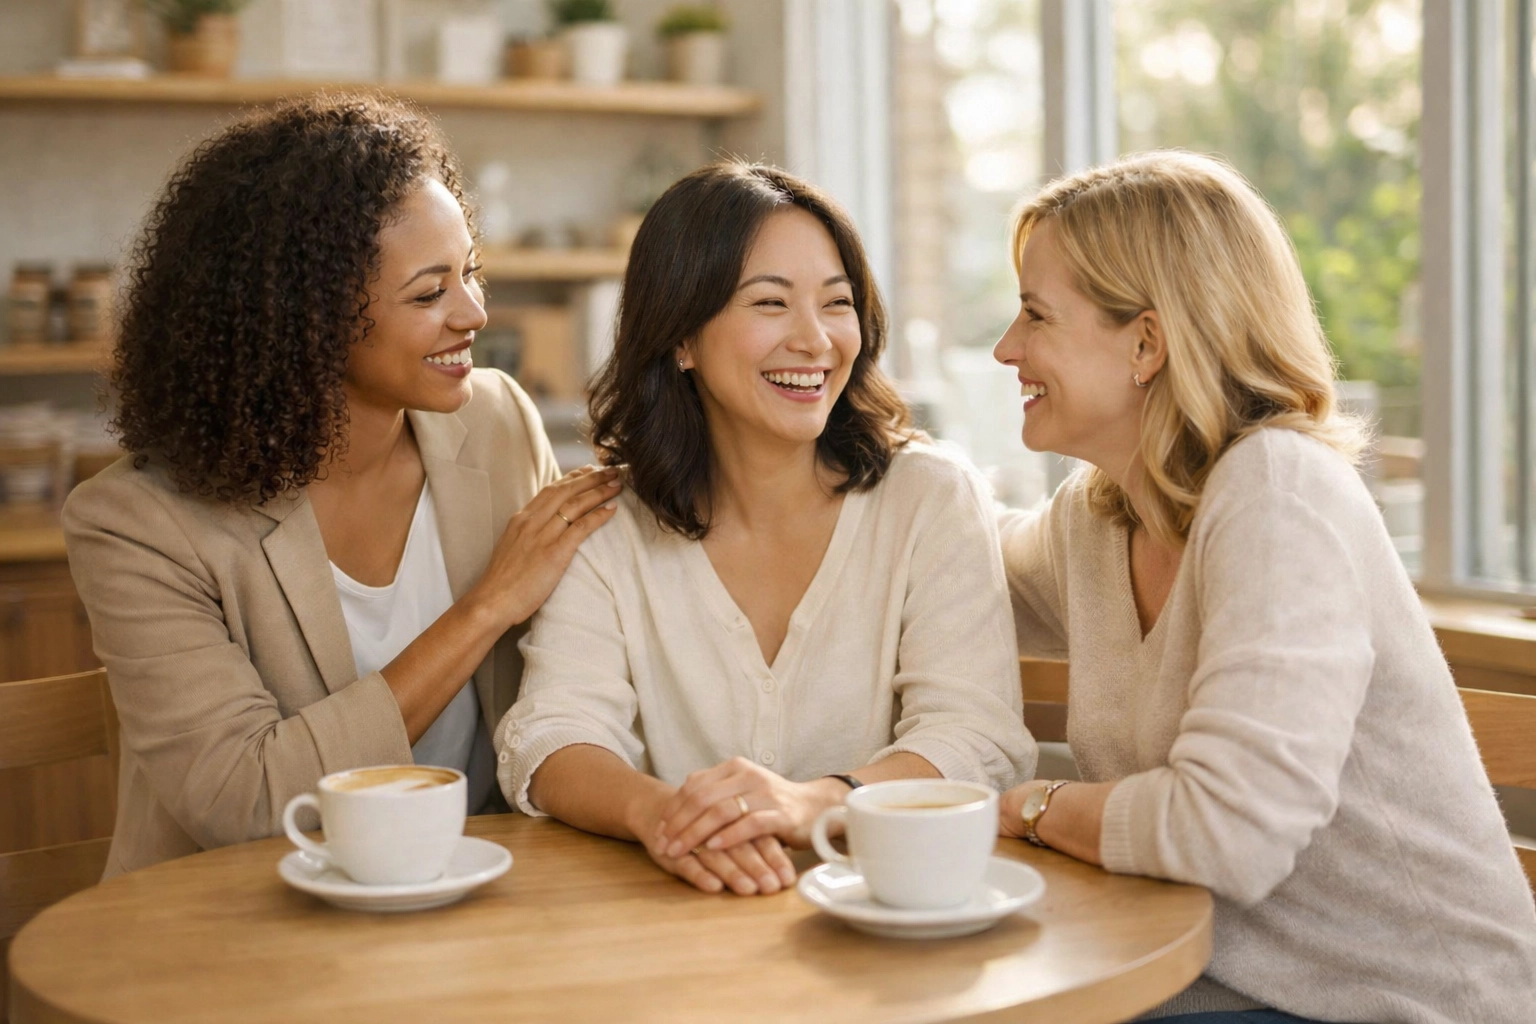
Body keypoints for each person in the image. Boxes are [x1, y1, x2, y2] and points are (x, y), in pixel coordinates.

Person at [992, 150, 1536, 1023]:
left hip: (1397, 1006)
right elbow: (951, 563)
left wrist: (1028, 807)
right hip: (1212, 984)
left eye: (1034, 315)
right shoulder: (1096, 519)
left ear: (1146, 342)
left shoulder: (1279, 495)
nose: (1006, 348)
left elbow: (1224, 834)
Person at [64, 94, 618, 878]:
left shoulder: (496, 423)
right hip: (236, 923)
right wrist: (486, 607)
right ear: (304, 318)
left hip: (484, 892)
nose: (474, 312)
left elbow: (572, 675)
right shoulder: (137, 524)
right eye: (429, 293)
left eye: (470, 273)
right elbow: (248, 801)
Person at [495, 162, 1035, 897]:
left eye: (836, 303)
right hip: (681, 927)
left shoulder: (930, 498)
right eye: (770, 303)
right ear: (681, 337)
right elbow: (550, 737)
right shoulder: (605, 524)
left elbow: (975, 738)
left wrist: (812, 803)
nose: (814, 340)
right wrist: (661, 814)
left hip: (894, 928)